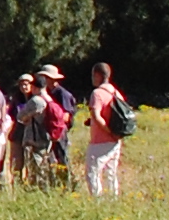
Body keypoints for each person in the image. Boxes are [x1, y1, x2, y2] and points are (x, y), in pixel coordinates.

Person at [84, 60, 129, 194]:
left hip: (100, 141)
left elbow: (97, 116)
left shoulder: (97, 93)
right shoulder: (116, 92)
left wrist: (109, 131)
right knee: (111, 174)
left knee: (92, 173)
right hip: (115, 141)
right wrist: (115, 134)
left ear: (97, 75)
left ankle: (97, 203)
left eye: (93, 75)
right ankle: (112, 201)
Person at [11, 72, 51, 186]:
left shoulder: (35, 100)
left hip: (35, 137)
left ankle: (37, 188)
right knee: (41, 165)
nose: (25, 87)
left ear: (33, 86)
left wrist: (27, 116)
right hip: (46, 136)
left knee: (36, 166)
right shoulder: (48, 98)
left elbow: (19, 116)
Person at [39, 64, 78, 172]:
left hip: (59, 130)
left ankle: (67, 181)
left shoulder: (62, 93)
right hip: (50, 130)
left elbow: (66, 116)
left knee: (62, 156)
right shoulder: (47, 92)